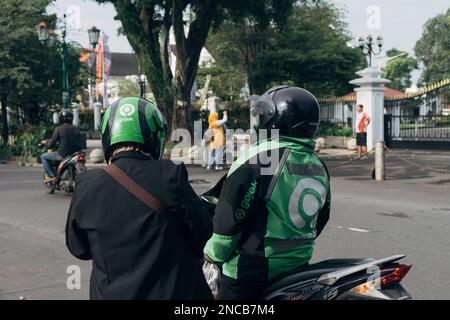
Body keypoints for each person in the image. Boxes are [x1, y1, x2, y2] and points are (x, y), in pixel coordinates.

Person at [66, 97, 213, 300]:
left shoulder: (86, 184)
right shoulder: (169, 174)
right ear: (154, 136)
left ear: (108, 137)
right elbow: (203, 235)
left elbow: (78, 249)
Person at [203, 86, 331, 300]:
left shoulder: (260, 158)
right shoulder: (317, 164)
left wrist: (212, 254)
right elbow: (322, 217)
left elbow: (230, 217)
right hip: (298, 266)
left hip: (250, 272)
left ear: (275, 119)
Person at [40, 110, 82, 182]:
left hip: (63, 155)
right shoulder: (76, 129)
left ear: (61, 118)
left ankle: (52, 176)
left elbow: (52, 143)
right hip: (76, 154)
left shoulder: (59, 129)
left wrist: (46, 143)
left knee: (43, 156)